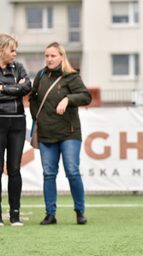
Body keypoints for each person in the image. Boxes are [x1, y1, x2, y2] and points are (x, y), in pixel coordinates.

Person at [29, 42, 91, 225]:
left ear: (61, 57)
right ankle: (50, 213)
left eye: (53, 55)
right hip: (46, 134)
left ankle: (80, 211)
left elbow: (86, 96)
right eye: (46, 55)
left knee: (72, 171)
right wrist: (36, 117)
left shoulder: (71, 76)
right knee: (48, 174)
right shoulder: (40, 75)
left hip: (69, 133)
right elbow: (33, 97)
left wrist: (68, 99)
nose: (49, 59)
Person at [0, 33, 31, 226]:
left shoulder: (19, 67)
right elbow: (19, 89)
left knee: (14, 169)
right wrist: (14, 88)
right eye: (11, 50)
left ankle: (15, 215)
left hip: (18, 123)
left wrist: (3, 89)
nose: (15, 53)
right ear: (1, 50)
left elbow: (27, 87)